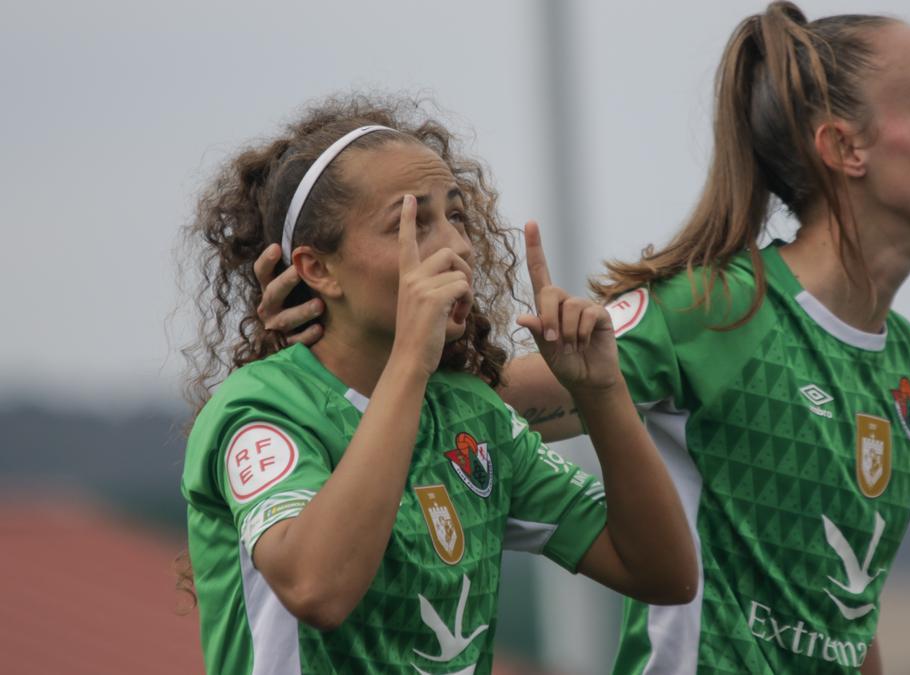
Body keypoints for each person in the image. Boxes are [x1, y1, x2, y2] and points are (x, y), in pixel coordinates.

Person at [259, 3, 910, 672]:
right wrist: (336, 339)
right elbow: (474, 409)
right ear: (844, 147)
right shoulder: (718, 310)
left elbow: (846, 622)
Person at [178, 94, 697, 675]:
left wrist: (601, 394)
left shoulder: (470, 414)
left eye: (455, 215)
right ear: (318, 269)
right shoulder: (263, 410)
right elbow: (317, 588)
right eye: (410, 223)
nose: (457, 246)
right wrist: (410, 360)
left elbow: (664, 573)